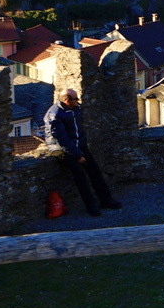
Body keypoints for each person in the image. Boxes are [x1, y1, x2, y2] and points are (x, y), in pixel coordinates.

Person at [44, 87, 121, 216]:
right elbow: (61, 139)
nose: (78, 101)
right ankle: (91, 207)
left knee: (94, 171)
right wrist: (78, 155)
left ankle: (106, 200)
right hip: (62, 149)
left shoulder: (74, 109)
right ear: (67, 101)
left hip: (78, 144)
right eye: (76, 99)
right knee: (80, 176)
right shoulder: (55, 115)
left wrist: (82, 147)